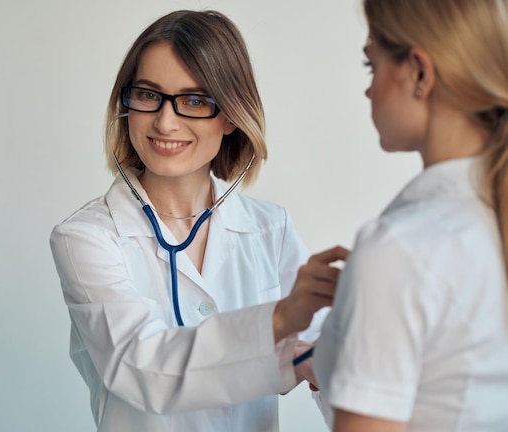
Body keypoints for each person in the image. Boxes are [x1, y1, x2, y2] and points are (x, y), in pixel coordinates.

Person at [50, 9, 346, 432]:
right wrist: (279, 327)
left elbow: (332, 364)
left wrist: (325, 359)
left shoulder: (270, 229)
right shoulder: (86, 239)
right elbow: (141, 368)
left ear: (230, 115)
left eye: (193, 101)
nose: (165, 121)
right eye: (148, 95)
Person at [313, 0, 508, 430]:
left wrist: (374, 290)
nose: (369, 89)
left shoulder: (398, 249)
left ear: (419, 73)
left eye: (372, 67)